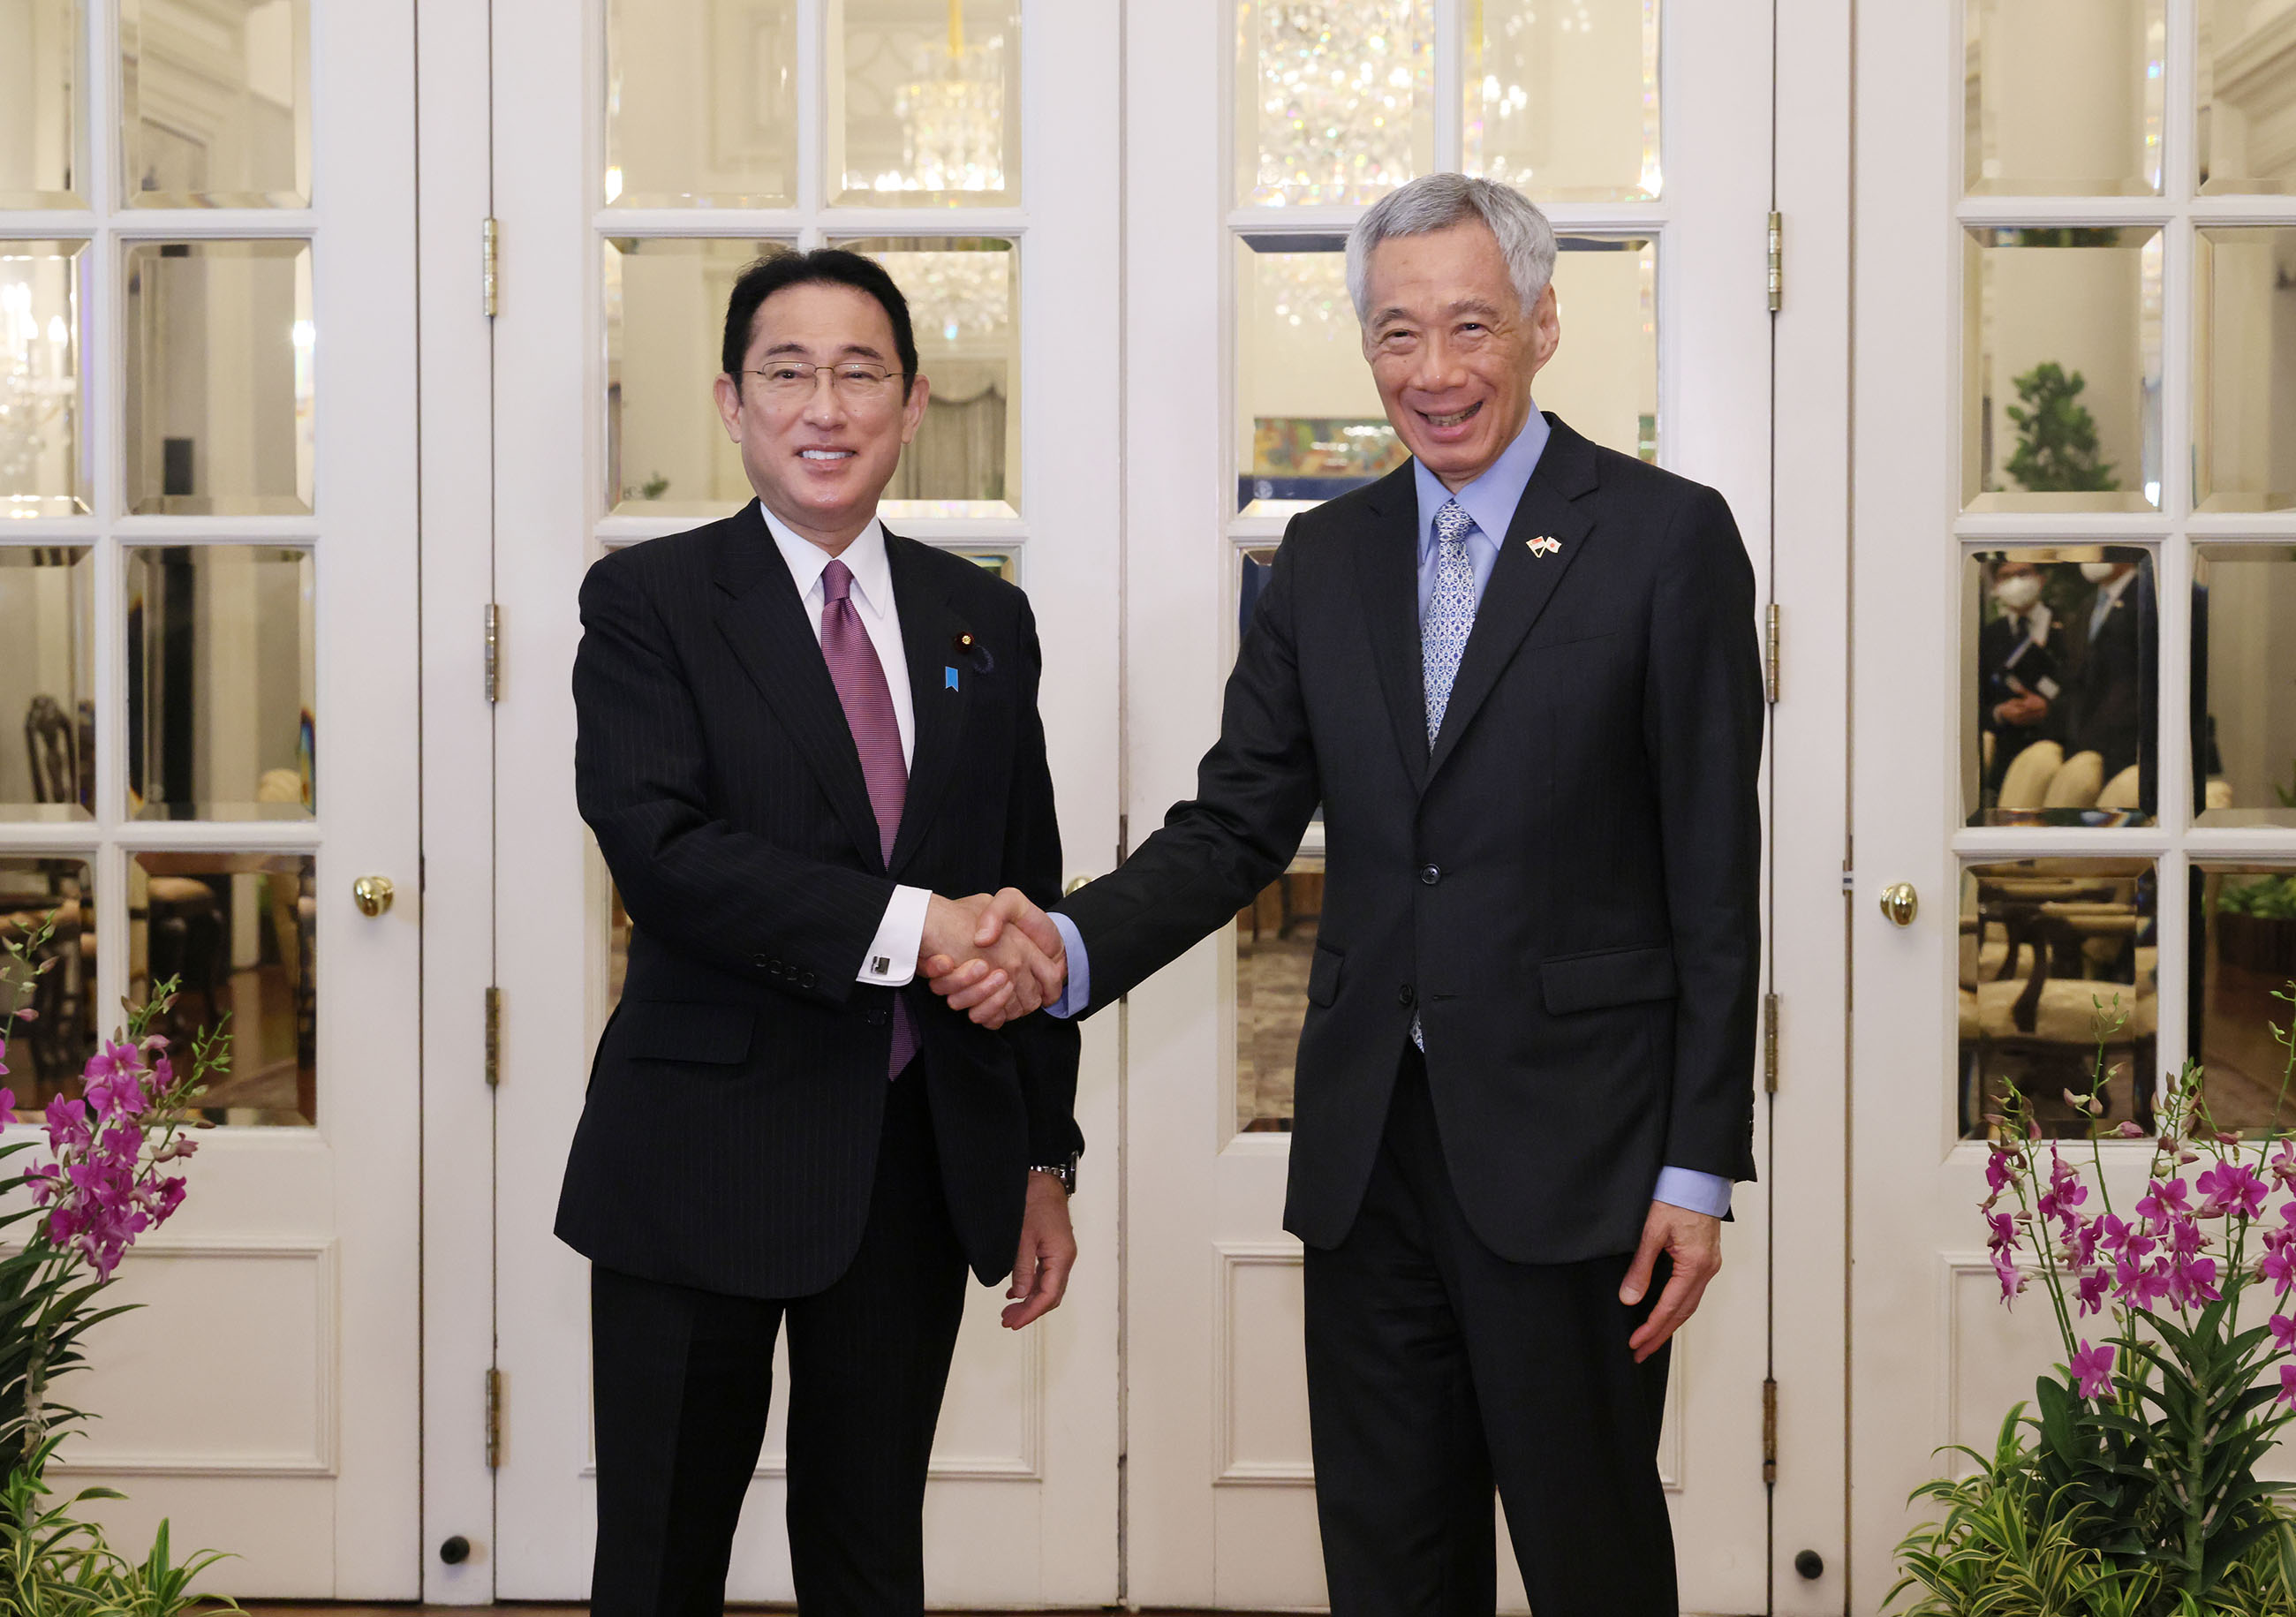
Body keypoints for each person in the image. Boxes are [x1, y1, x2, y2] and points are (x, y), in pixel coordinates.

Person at [934, 173, 1763, 1615]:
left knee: (1594, 1559)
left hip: (1581, 1153)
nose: (1432, 371)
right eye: (1396, 333)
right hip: (1369, 1155)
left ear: (1543, 324)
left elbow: (1713, 875)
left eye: (1470, 326)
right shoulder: (1325, 557)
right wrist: (1064, 943)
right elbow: (1233, 824)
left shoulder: (1664, 538)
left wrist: (1697, 1167)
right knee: (1388, 1561)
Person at [558, 247, 1081, 1616]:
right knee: (660, 1558)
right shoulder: (649, 603)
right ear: (732, 403)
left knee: (871, 1553)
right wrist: (914, 923)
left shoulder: (985, 618)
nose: (826, 407)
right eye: (788, 373)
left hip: (913, 1156)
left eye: (861, 373)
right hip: (699, 1156)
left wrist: (1042, 1153)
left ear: (912, 403)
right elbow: (664, 854)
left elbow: (1024, 890)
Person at [1976, 555, 2062, 799]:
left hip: (2057, 751)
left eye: (2023, 573)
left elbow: (2083, 691)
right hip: (2004, 758)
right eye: (2005, 576)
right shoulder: (1989, 636)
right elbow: (1976, 700)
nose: (2015, 582)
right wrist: (2000, 712)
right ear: (1996, 586)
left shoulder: (2068, 624)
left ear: (2041, 580)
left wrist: (2049, 709)